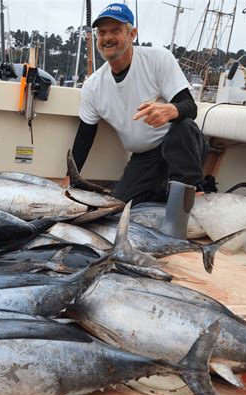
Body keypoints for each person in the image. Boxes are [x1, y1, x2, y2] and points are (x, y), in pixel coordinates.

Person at [70, 3, 209, 239]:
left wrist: (171, 110)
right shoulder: (93, 85)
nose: (107, 38)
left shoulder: (158, 59)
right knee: (115, 211)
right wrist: (69, 180)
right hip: (144, 159)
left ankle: (183, 216)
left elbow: (191, 107)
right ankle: (162, 193)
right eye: (102, 32)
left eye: (115, 30)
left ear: (132, 34)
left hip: (181, 147)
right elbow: (85, 136)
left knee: (181, 126)